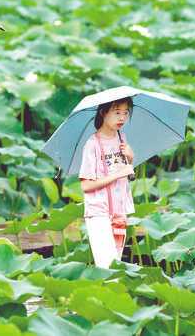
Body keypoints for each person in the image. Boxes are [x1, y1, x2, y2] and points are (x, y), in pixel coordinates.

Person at [78, 97, 136, 268]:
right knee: (106, 267)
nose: (122, 118)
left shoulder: (122, 139)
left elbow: (127, 174)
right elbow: (86, 185)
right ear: (103, 113)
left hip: (119, 211)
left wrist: (131, 158)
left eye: (126, 113)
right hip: (99, 213)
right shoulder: (92, 144)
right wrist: (117, 174)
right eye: (117, 112)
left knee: (116, 267)